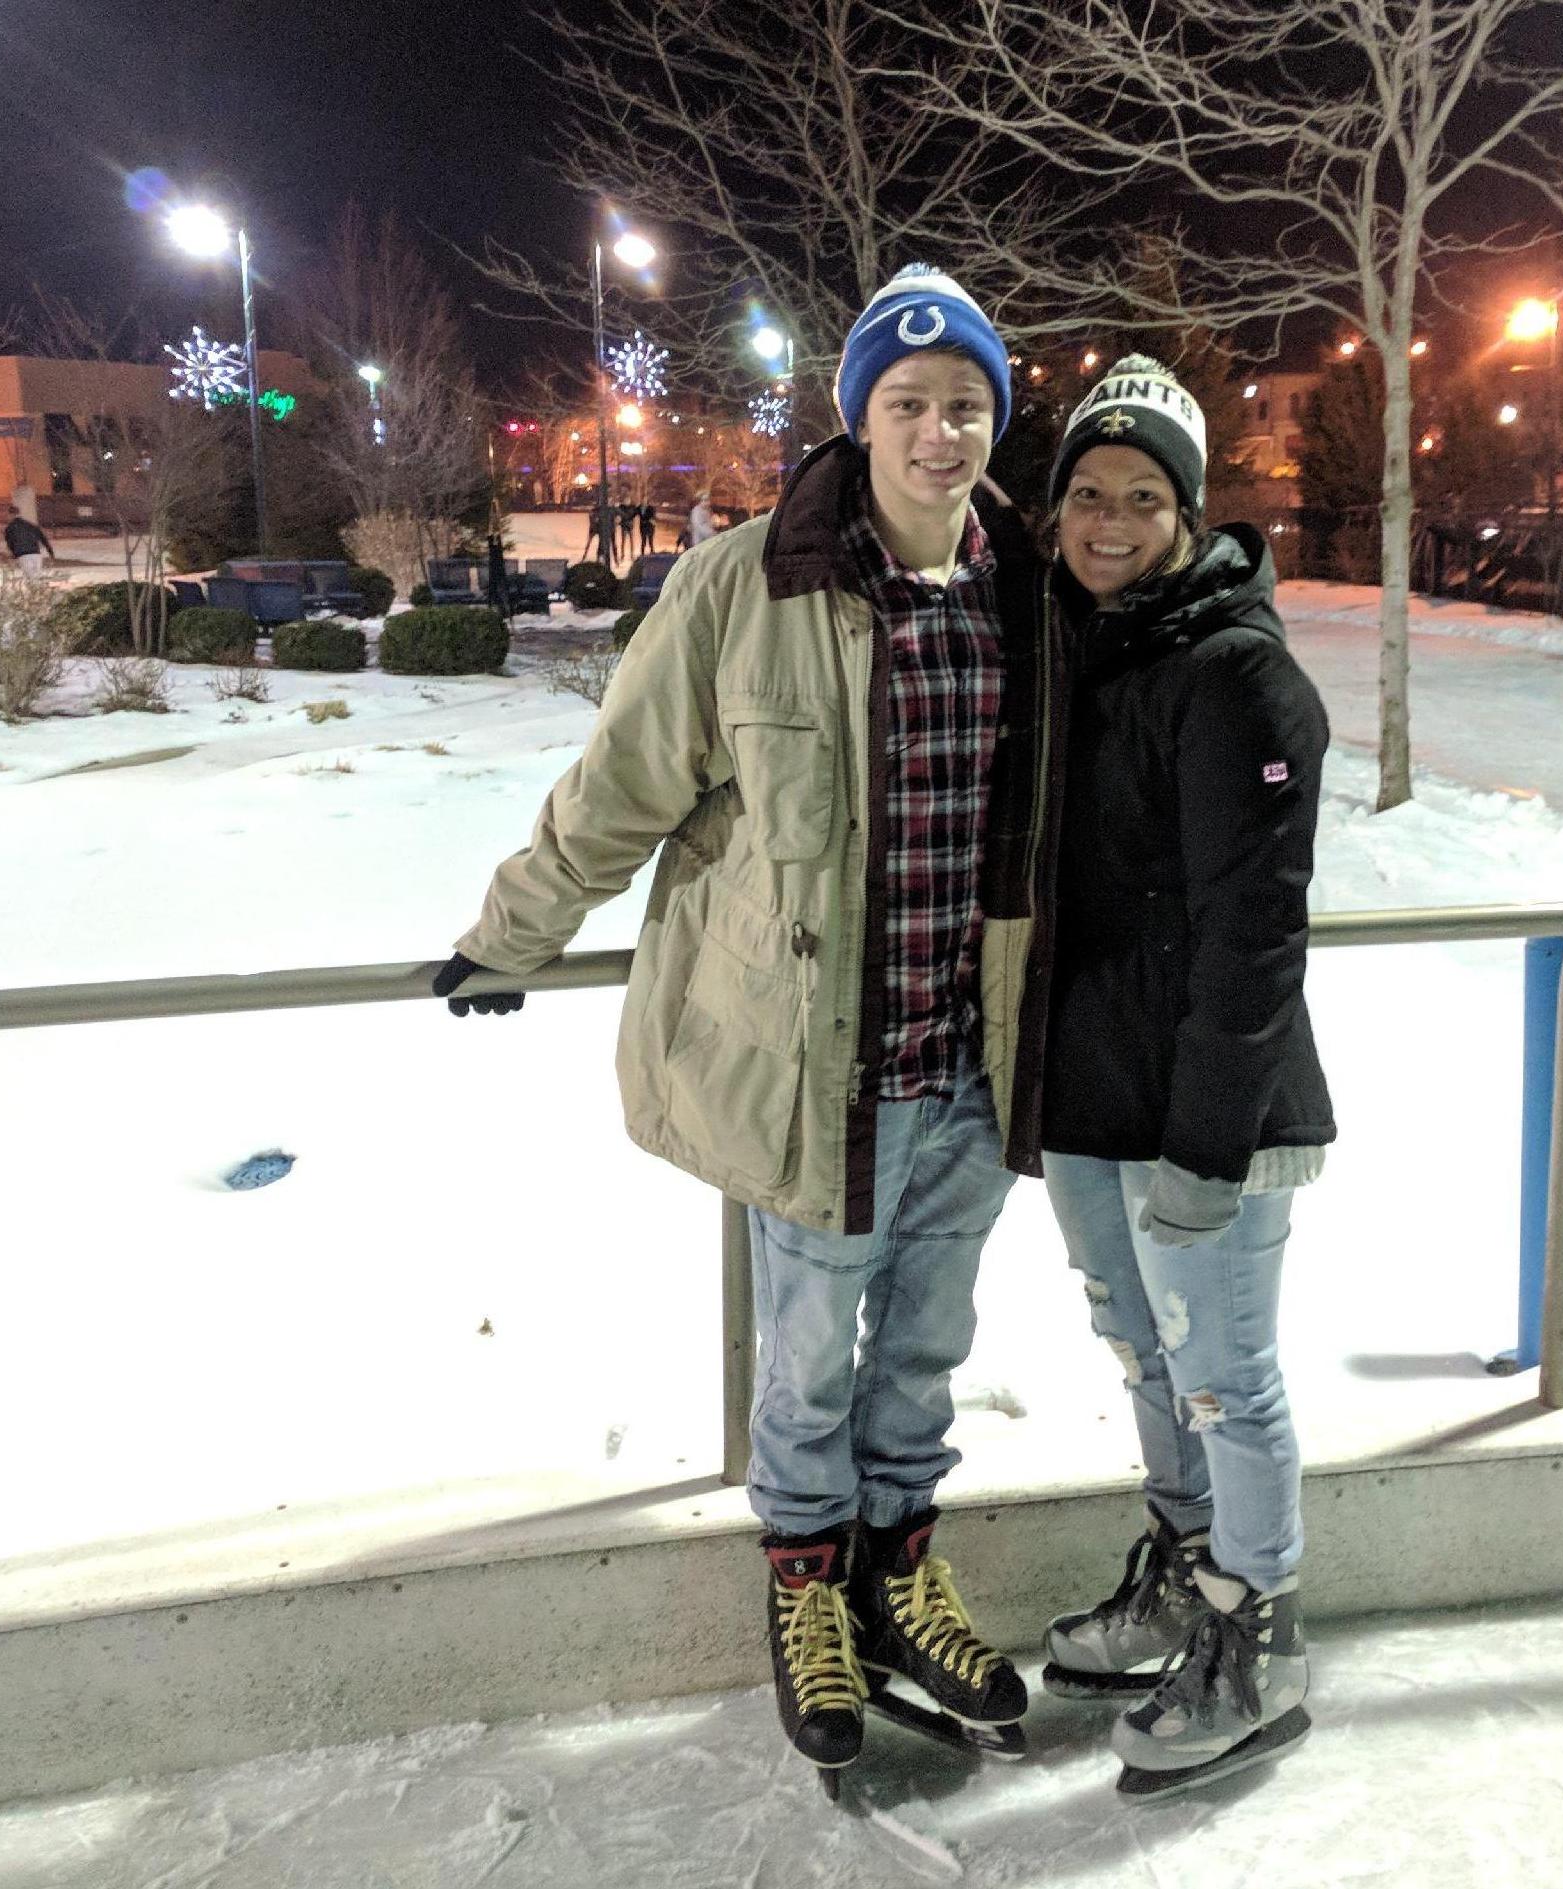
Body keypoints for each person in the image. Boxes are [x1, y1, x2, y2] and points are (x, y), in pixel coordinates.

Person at [430, 264, 1063, 1786]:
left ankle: (900, 1564)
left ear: (995, 418)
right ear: (856, 418)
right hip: (811, 1075)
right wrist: (510, 933)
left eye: (964, 405)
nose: (937, 432)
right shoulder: (737, 586)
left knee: (926, 1348)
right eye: (906, 404)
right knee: (807, 1362)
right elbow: (617, 794)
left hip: (973, 1069)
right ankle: (805, 1586)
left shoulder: (1027, 592)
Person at [1033, 355, 1335, 1799]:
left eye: (1140, 497)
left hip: (1209, 1111)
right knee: (1146, 1359)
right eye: (1086, 494)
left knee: (1225, 1378)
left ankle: (1255, 1631)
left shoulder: (1238, 673)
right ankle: (1184, 1575)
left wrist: (1208, 1148)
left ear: (1187, 507)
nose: (1108, 521)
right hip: (1097, 1097)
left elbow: (1255, 932)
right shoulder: (1084, 649)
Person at [2, 511, 54, 578]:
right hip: (36, 554)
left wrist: (13, 555)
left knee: (30, 577)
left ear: (10, 515)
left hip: (23, 555)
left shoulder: (9, 528)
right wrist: (51, 552)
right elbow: (44, 539)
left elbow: (10, 543)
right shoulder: (32, 525)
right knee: (37, 577)